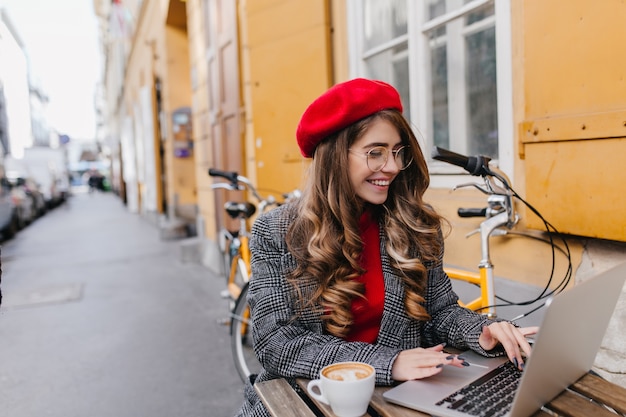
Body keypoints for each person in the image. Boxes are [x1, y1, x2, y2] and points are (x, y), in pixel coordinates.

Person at [235, 78, 537, 417]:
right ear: (335, 157)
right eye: (375, 152)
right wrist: (388, 363)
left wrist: (481, 331)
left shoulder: (413, 225)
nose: (392, 167)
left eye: (397, 152)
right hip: (307, 403)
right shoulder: (277, 231)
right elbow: (277, 345)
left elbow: (439, 313)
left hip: (397, 402)